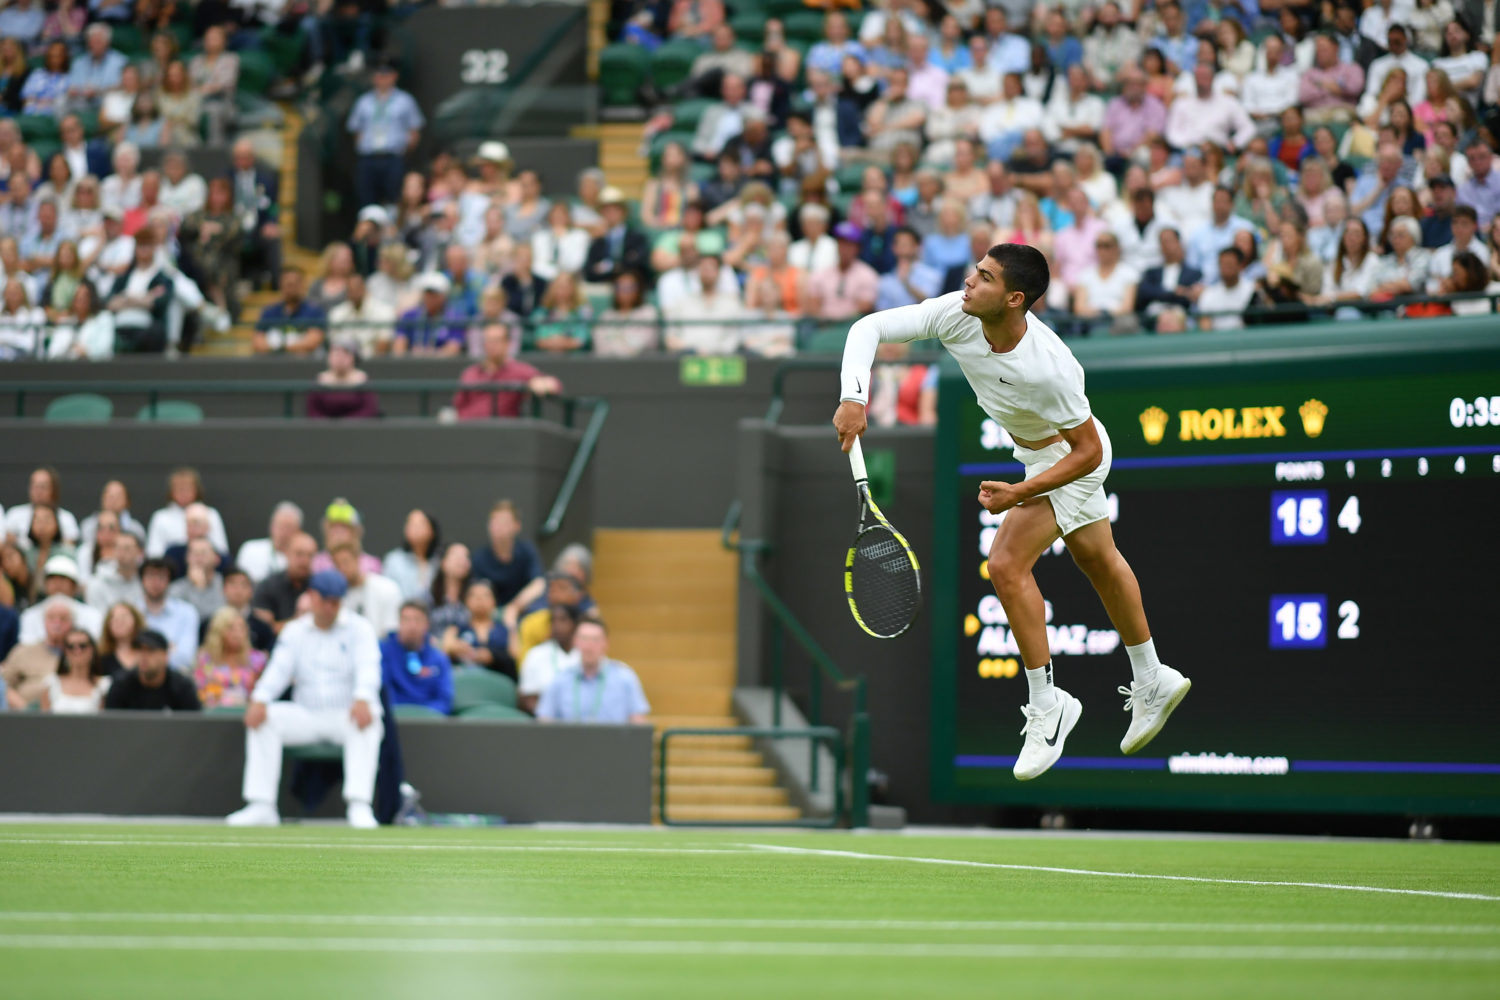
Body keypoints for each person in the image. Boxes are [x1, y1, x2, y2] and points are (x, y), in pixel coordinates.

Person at [832, 243, 1189, 781]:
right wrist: (854, 397)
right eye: (975, 272)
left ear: (1015, 298)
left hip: (1071, 458)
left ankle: (1049, 705)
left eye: (985, 278)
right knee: (1097, 558)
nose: (969, 283)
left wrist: (1020, 494)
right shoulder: (957, 313)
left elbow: (1087, 452)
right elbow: (867, 328)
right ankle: (1151, 676)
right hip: (1040, 453)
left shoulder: (1050, 370)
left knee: (1004, 564)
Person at [227, 570, 383, 829]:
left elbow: (369, 667)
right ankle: (261, 805)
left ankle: (359, 805)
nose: (331, 607)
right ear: (311, 597)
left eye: (337, 601)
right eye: (326, 600)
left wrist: (363, 697)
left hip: (345, 716)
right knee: (266, 718)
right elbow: (278, 670)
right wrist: (260, 699)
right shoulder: (295, 632)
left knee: (372, 717)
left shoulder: (360, 629)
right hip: (306, 715)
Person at [535, 618, 650, 724]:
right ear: (575, 642)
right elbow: (545, 721)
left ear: (605, 643)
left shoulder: (625, 678)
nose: (589, 646)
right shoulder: (560, 680)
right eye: (584, 639)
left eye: (595, 640)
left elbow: (638, 723)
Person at [347, 60, 424, 211]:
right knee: (366, 199)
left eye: (385, 75)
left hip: (393, 157)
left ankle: (393, 231)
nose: (382, 78)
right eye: (378, 75)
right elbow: (357, 131)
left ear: (394, 76)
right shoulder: (363, 101)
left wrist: (403, 153)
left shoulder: (405, 100)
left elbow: (414, 132)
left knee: (394, 199)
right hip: (368, 158)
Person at [452, 323, 562, 421]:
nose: (492, 345)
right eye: (488, 341)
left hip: (503, 435)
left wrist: (543, 383)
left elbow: (553, 384)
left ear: (507, 343)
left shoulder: (519, 371)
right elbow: (458, 405)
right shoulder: (470, 373)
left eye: (496, 341)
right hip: (468, 431)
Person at [471, 501, 543, 620]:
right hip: (490, 616)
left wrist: (514, 608)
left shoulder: (527, 551)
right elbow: (477, 594)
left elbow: (538, 584)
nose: (499, 527)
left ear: (517, 526)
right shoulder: (479, 558)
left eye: (504, 522)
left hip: (523, 611)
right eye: (494, 522)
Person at [380, 601, 453, 715]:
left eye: (417, 620)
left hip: (429, 724)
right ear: (399, 623)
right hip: (394, 721)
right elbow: (384, 693)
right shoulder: (383, 653)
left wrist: (424, 715)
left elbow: (444, 700)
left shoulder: (439, 659)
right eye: (406, 620)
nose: (412, 626)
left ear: (427, 624)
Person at [1, 597, 74, 709]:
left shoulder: (79, 652)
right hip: (25, 717)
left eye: (63, 619)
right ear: (44, 622)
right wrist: (25, 709)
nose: (57, 623)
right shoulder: (23, 651)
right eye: (51, 618)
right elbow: (4, 685)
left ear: (72, 624)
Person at [102, 629, 201, 711]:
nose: (143, 656)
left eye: (150, 650)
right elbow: (111, 727)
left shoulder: (182, 687)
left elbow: (195, 727)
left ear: (165, 655)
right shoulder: (121, 684)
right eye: (139, 649)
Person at [438, 579, 515, 678]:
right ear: (466, 601)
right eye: (474, 595)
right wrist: (456, 648)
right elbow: (444, 651)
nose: (479, 599)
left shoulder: (506, 630)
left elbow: (514, 657)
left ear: (494, 600)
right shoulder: (455, 629)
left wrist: (492, 656)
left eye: (485, 595)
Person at [195, 606, 267, 708]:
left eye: (241, 628)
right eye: (231, 628)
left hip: (247, 715)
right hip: (214, 715)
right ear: (219, 631)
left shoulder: (257, 660)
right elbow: (200, 692)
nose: (238, 634)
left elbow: (263, 694)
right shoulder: (205, 660)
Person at [18, 558, 102, 643]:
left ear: (74, 586)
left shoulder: (92, 615)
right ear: (45, 585)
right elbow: (27, 645)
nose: (57, 583)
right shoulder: (29, 615)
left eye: (63, 578)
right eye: (52, 578)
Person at [330, 542, 402, 637]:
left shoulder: (387, 588)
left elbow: (392, 631)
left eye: (345, 562)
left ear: (358, 559)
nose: (342, 568)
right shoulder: (334, 598)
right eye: (337, 565)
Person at [252, 531, 317, 634]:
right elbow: (265, 631)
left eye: (310, 555)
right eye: (299, 554)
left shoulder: (319, 588)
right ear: (286, 553)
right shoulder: (267, 586)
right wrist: (301, 619)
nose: (304, 561)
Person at [139, 557, 198, 673]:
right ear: (142, 580)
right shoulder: (132, 612)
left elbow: (186, 658)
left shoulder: (187, 612)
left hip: (175, 679)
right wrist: (168, 649)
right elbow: (129, 656)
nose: (155, 582)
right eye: (150, 576)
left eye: (161, 577)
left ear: (169, 581)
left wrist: (148, 655)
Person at [252, 265, 326, 355]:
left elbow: (312, 342)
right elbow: (258, 342)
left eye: (294, 284)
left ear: (303, 285)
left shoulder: (314, 311)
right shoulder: (269, 311)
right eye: (288, 284)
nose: (291, 289)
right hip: (274, 364)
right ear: (281, 285)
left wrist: (279, 348)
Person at [41, 627, 110, 714]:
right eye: (71, 646)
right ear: (65, 651)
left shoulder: (104, 686)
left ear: (92, 650)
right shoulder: (51, 683)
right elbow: (44, 722)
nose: (77, 650)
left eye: (82, 646)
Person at [235, 502, 303, 585]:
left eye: (288, 527)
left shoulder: (302, 559)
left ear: (298, 531)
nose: (283, 532)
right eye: (280, 526)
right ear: (271, 526)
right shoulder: (250, 549)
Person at [382, 510, 440, 603]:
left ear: (432, 530)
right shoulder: (394, 560)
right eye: (410, 524)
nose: (415, 529)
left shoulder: (439, 562)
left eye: (420, 524)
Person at [1196, 246, 1257, 330]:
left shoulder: (1253, 290)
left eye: (1229, 264)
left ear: (1240, 266)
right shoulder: (1208, 294)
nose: (1225, 268)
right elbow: (1205, 325)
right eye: (1222, 264)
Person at [86, 529, 145, 613]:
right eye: (118, 548)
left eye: (127, 548)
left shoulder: (146, 582)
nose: (121, 553)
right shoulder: (97, 583)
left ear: (140, 552)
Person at [168, 537, 226, 622]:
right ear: (187, 558)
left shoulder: (225, 584)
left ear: (217, 558)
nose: (198, 558)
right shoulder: (175, 588)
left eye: (203, 553)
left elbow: (217, 619)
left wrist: (199, 588)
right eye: (194, 553)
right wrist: (198, 588)